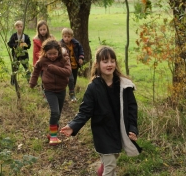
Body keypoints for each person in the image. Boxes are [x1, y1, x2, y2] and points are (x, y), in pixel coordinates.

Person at [60, 46, 142, 176]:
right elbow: (85, 111)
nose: (109, 64)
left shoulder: (124, 85)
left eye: (112, 61)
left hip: (119, 131)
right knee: (110, 166)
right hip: (102, 132)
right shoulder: (93, 88)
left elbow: (132, 109)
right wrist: (73, 126)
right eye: (105, 61)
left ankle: (101, 171)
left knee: (111, 163)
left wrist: (132, 128)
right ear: (98, 64)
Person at [29, 38, 71, 146]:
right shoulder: (43, 60)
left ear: (59, 51)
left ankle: (52, 134)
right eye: (49, 54)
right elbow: (36, 68)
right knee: (55, 112)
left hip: (61, 89)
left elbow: (68, 72)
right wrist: (33, 82)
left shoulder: (64, 58)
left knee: (58, 115)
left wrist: (53, 68)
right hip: (49, 90)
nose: (52, 56)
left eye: (54, 54)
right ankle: (53, 137)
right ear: (45, 52)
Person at [60, 28, 84, 102]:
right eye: (65, 36)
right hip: (66, 65)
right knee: (70, 79)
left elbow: (81, 51)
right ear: (62, 36)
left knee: (74, 80)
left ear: (72, 37)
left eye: (69, 36)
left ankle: (71, 91)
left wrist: (81, 58)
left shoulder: (76, 44)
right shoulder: (60, 45)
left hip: (75, 65)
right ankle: (71, 95)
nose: (67, 38)